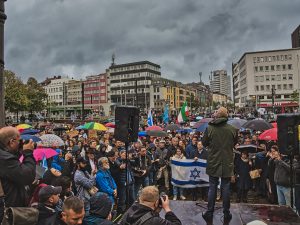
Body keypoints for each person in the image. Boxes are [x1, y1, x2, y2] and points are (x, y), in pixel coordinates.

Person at [202, 107, 238, 224]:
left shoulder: (210, 128)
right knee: (226, 187)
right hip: (227, 162)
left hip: (213, 162)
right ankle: (226, 213)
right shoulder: (233, 129)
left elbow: (204, 143)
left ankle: (209, 213)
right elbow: (234, 143)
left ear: (217, 115)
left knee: (212, 187)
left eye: (216, 112)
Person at [0, 126, 36, 223]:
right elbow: (27, 176)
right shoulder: (4, 159)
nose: (20, 143)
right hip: (8, 213)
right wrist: (28, 153)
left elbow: (13, 167)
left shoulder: (4, 155)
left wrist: (20, 151)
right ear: (11, 142)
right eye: (19, 141)